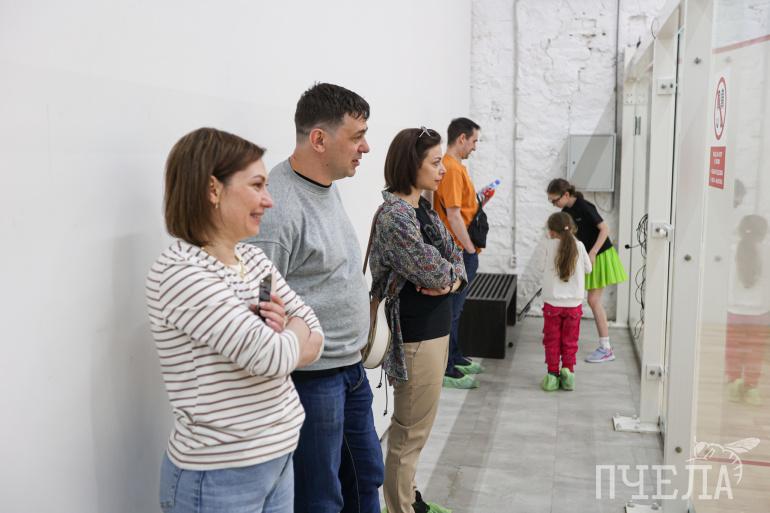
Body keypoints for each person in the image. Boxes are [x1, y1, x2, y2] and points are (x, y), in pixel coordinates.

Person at [146, 127, 324, 513]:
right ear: (213, 189)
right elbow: (273, 357)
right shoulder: (181, 273)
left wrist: (288, 335)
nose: (269, 200)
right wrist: (293, 330)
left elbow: (317, 334)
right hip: (219, 475)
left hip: (277, 458)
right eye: (257, 185)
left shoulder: (254, 260)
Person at [247, 83, 384, 513]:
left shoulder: (325, 184)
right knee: (320, 499)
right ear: (319, 140)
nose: (365, 147)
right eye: (357, 136)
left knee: (365, 477)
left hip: (349, 370)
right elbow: (259, 310)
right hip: (313, 381)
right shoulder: (278, 208)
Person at [369, 127, 466, 513]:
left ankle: (410, 499)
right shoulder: (396, 216)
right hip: (415, 338)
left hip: (433, 332)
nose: (443, 170)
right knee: (408, 435)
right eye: (435, 162)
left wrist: (451, 280)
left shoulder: (422, 208)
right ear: (412, 165)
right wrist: (449, 277)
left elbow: (455, 259)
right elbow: (433, 271)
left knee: (417, 431)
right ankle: (401, 507)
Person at [546, 178, 628, 363]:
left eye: (555, 200)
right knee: (590, 300)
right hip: (590, 257)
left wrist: (593, 252)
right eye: (551, 201)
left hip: (601, 255)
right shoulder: (566, 212)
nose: (554, 204)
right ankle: (603, 346)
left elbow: (604, 229)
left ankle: (606, 349)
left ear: (566, 195)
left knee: (593, 300)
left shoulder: (584, 206)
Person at [433, 117, 485, 389]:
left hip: (461, 248)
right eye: (474, 141)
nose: (475, 147)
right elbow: (453, 215)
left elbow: (460, 209)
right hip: (457, 250)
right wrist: (469, 249)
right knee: (452, 311)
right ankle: (447, 367)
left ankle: (454, 357)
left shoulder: (456, 168)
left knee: (457, 309)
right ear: (462, 138)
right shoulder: (451, 169)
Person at [539, 212, 593, 391]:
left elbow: (540, 266)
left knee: (552, 340)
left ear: (551, 231)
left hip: (552, 304)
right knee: (570, 341)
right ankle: (568, 373)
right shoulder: (579, 246)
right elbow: (588, 269)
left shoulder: (547, 245)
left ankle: (552, 376)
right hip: (574, 305)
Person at [725, 214, 770, 406]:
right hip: (760, 314)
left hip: (733, 311)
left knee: (733, 349)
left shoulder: (731, 250)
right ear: (764, 233)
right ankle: (751, 387)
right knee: (755, 352)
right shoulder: (767, 251)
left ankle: (734, 382)